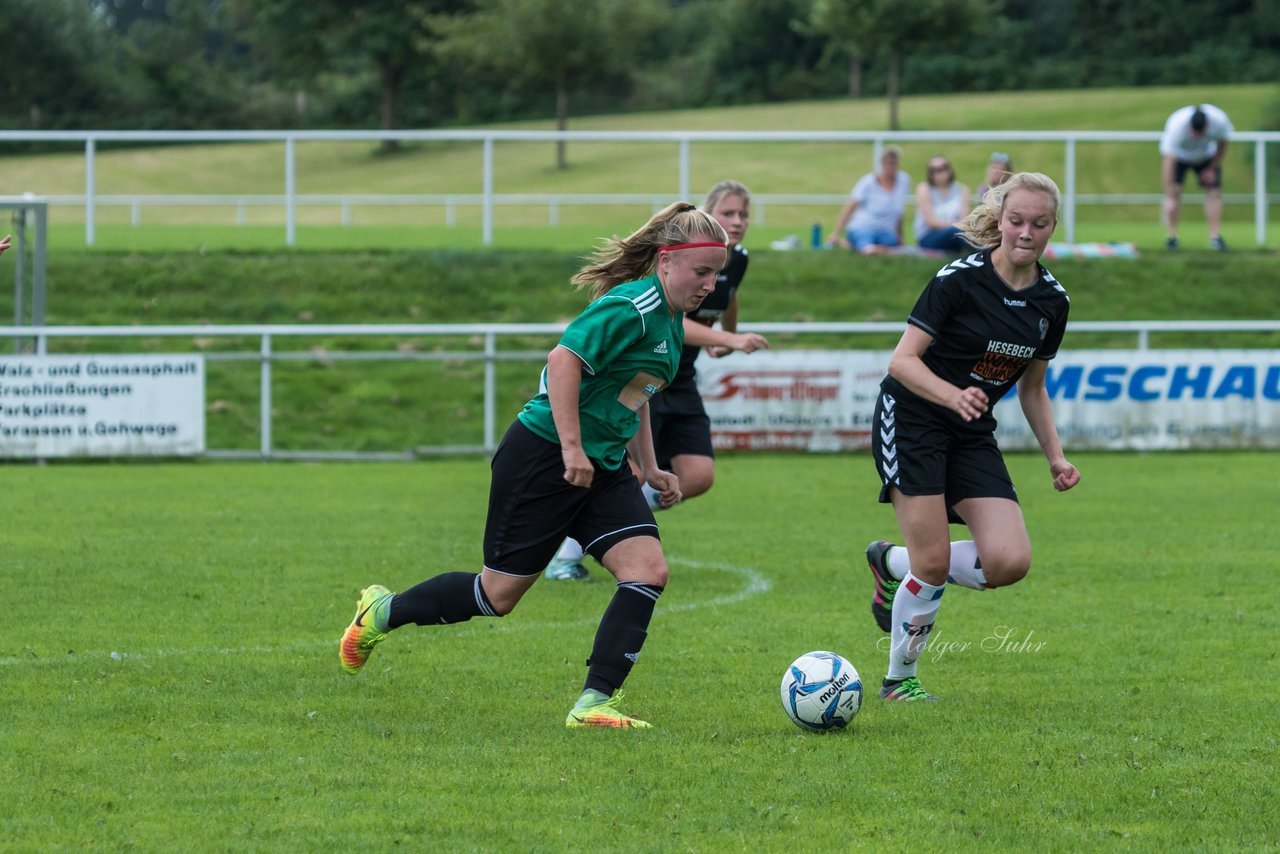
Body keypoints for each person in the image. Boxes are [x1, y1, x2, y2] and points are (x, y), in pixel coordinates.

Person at [339, 202, 730, 729]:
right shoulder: (631, 307)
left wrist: (652, 466)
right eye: (700, 271)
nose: (709, 284)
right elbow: (562, 360)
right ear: (665, 262)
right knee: (495, 596)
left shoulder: (671, 322)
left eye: (715, 274)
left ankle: (593, 703)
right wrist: (571, 448)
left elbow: (635, 394)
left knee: (647, 571)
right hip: (544, 455)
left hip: (604, 466)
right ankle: (380, 613)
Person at [862, 172, 1080, 703]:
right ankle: (899, 680)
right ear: (1001, 220)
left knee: (1009, 562)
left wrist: (1055, 456)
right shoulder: (957, 279)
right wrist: (951, 395)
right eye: (1016, 220)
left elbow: (1033, 388)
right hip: (912, 417)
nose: (1026, 233)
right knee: (933, 563)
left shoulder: (1053, 302)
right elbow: (901, 362)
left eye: (1040, 223)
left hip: (970, 431)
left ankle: (890, 562)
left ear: (1054, 226)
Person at [545, 180, 770, 581]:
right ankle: (573, 549)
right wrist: (727, 337)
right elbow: (675, 322)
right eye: (728, 213)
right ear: (706, 218)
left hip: (677, 379)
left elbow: (728, 296)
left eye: (744, 214)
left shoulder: (736, 261)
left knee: (697, 475)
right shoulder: (669, 277)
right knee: (627, 476)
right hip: (645, 375)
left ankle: (607, 524)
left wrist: (727, 337)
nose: (737, 222)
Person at [1160, 104, 1233, 251]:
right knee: (1175, 192)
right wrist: (1169, 190)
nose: (1197, 137)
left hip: (1206, 156)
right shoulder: (1176, 126)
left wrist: (1211, 168)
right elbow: (1168, 161)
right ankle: (1172, 237)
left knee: (1213, 192)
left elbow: (1223, 145)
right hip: (1179, 158)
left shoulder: (1219, 122)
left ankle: (1215, 237)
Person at [827, 146, 910, 254]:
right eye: (888, 163)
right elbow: (850, 207)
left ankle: (849, 246)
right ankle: (854, 246)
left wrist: (900, 239)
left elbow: (898, 213)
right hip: (863, 227)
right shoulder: (868, 182)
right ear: (882, 164)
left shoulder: (903, 181)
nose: (891, 166)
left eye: (894, 163)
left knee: (894, 248)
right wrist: (837, 233)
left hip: (885, 232)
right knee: (868, 248)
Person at [913, 155, 971, 254]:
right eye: (932, 170)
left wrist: (957, 226)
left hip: (955, 235)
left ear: (949, 170)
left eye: (941, 169)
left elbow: (965, 219)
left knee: (961, 232)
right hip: (928, 236)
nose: (936, 173)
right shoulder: (924, 189)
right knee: (957, 232)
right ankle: (983, 256)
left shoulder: (961, 189)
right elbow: (931, 223)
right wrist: (955, 225)